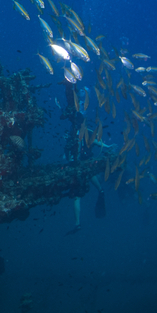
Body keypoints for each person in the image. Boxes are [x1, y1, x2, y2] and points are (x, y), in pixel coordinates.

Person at [61, 82, 105, 234]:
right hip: (85, 162)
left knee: (76, 196)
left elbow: (90, 139)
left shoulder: (75, 131)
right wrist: (106, 147)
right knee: (90, 177)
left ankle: (78, 223)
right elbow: (94, 139)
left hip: (76, 164)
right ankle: (101, 191)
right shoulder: (83, 129)